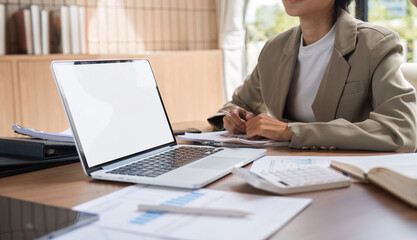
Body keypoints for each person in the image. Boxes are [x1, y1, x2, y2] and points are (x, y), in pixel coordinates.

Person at [208, 0, 417, 152]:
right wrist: (232, 117)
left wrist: (292, 131)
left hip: (350, 177)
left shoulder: (375, 43)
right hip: (281, 169)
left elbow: (401, 129)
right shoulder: (275, 48)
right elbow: (238, 103)